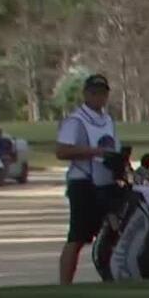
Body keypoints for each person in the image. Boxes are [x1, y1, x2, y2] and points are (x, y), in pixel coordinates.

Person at [56, 74, 119, 285]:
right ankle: (65, 284)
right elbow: (62, 151)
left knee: (113, 234)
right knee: (77, 238)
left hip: (105, 183)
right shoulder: (75, 121)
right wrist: (94, 151)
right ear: (85, 94)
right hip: (83, 183)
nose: (99, 97)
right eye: (94, 93)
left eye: (102, 93)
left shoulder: (107, 120)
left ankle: (111, 277)